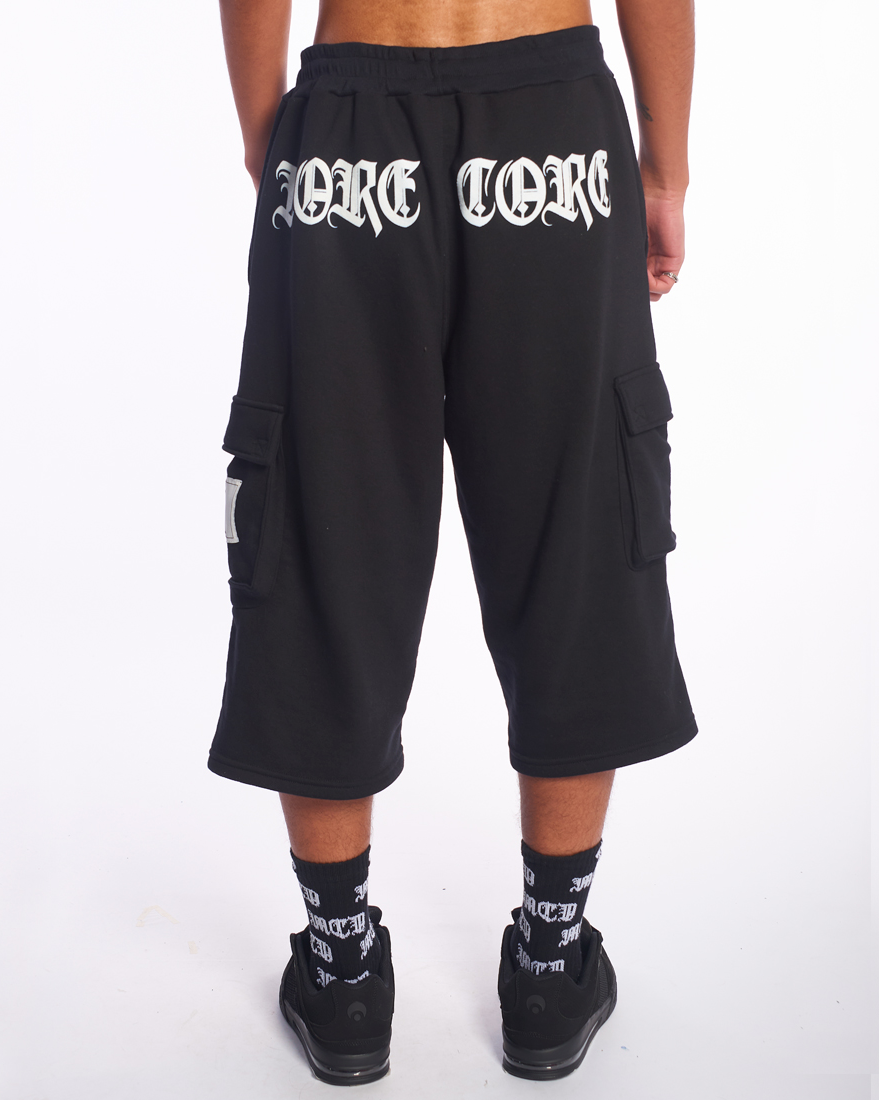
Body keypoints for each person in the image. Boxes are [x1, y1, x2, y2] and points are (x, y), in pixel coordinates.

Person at [209, 0, 696, 1083]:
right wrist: (664, 170)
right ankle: (551, 964)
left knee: (327, 526)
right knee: (574, 528)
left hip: (351, 123)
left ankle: (340, 972)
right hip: (555, 131)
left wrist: (270, 138)